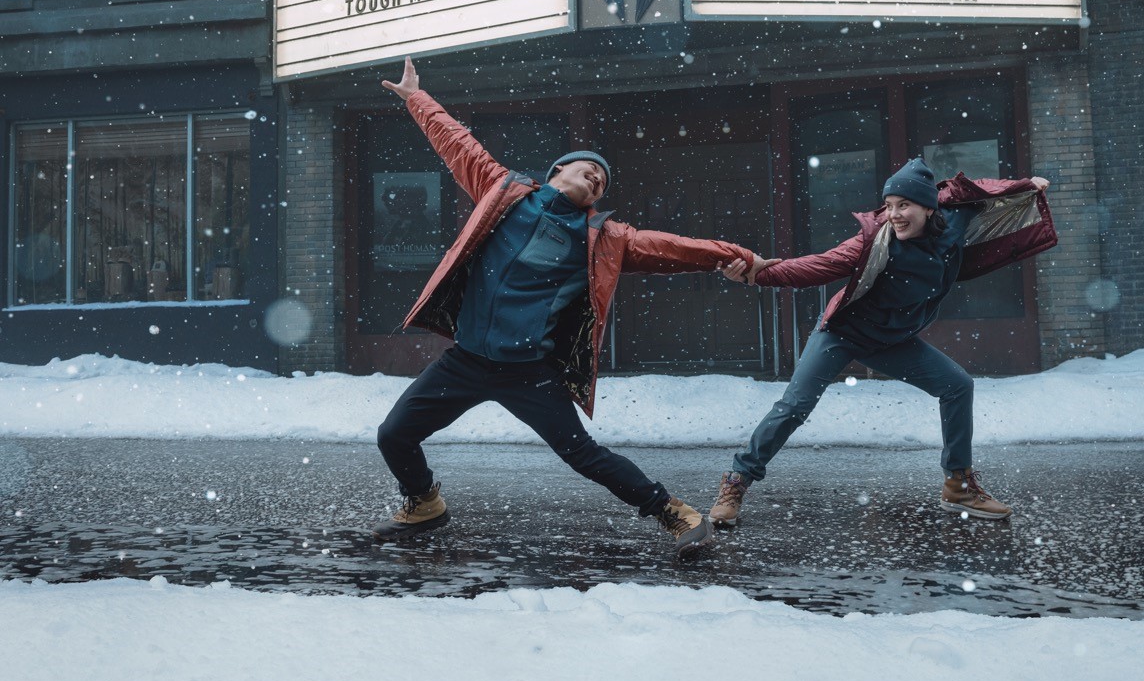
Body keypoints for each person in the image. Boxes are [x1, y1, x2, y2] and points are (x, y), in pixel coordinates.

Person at [373, 58, 762, 558]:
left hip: (529, 371)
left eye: (602, 182)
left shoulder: (603, 239)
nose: (596, 181)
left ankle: (674, 513)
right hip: (466, 361)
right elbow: (458, 145)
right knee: (394, 435)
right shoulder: (503, 192)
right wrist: (416, 99)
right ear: (558, 170)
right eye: (588, 170)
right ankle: (424, 502)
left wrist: (739, 257)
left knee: (583, 455)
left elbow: (672, 247)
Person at [711, 157, 1056, 526]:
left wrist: (1024, 185)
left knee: (957, 386)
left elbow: (978, 189)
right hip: (842, 334)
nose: (894, 214)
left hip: (892, 340)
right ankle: (736, 481)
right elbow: (816, 267)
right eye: (889, 206)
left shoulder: (955, 219)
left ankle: (958, 486)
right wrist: (755, 275)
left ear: (928, 207)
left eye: (904, 205)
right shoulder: (874, 241)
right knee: (795, 406)